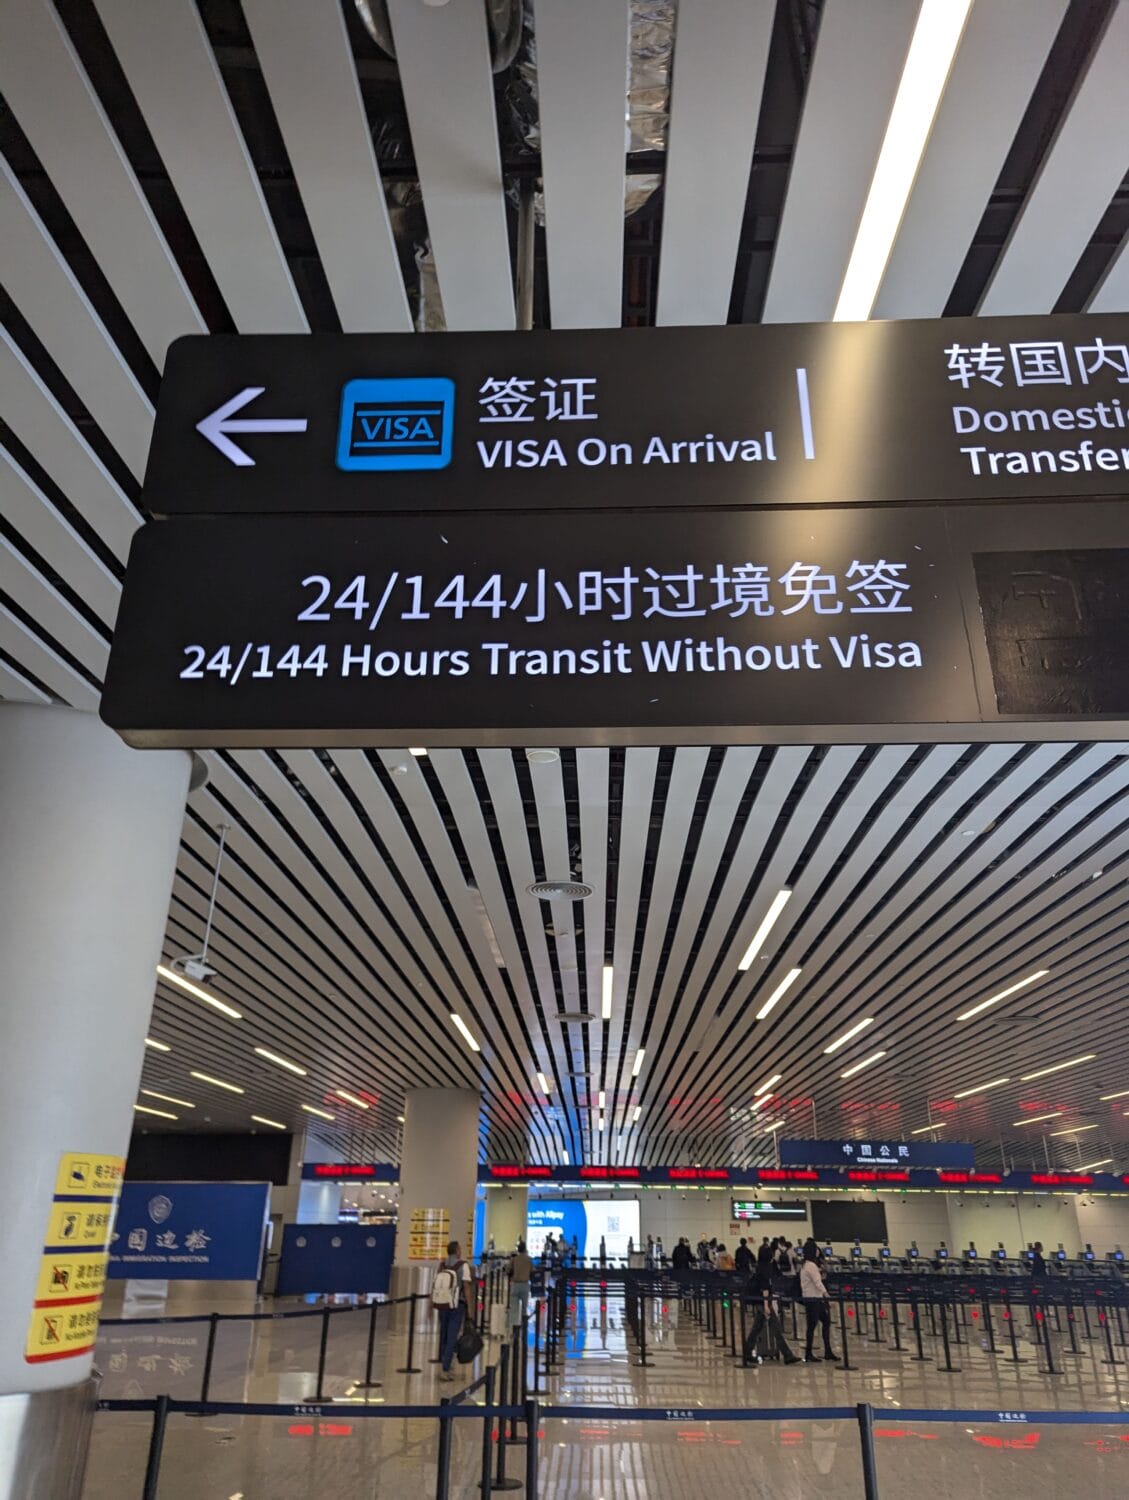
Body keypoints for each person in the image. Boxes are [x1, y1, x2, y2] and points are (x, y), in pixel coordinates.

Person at [743, 1244, 798, 1364]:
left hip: (759, 1301)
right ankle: (787, 1355)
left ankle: (747, 1352)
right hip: (763, 1302)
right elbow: (765, 1288)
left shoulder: (759, 1266)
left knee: (756, 1328)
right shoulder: (766, 1268)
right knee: (776, 1328)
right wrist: (767, 1305)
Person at [431, 1239, 474, 1381]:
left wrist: (431, 1303)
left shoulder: (442, 1265)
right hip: (457, 1305)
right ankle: (446, 1368)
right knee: (452, 1336)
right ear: (457, 1251)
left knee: (444, 1334)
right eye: (460, 1249)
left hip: (442, 1304)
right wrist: (470, 1308)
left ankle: (446, 1362)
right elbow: (466, 1287)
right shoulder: (463, 1266)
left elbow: (435, 1285)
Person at [800, 1244, 840, 1364]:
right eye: (816, 1249)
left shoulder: (806, 1265)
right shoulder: (811, 1266)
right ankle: (809, 1354)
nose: (818, 1251)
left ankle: (827, 1351)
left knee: (825, 1322)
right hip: (814, 1299)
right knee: (812, 1326)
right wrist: (826, 1294)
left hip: (813, 1299)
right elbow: (818, 1282)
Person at [508, 1238, 533, 1329]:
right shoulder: (529, 1259)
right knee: (524, 1308)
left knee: (514, 1308)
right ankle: (524, 1327)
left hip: (515, 1284)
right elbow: (532, 1271)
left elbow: (508, 1270)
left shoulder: (514, 1259)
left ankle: (515, 1329)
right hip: (525, 1285)